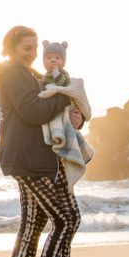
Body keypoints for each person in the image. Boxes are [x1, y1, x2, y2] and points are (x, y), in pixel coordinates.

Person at [0, 26, 84, 257]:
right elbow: (33, 111)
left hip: (29, 158)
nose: (31, 53)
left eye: (34, 48)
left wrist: (76, 116)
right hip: (30, 160)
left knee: (33, 225)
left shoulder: (28, 75)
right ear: (12, 48)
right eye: (26, 48)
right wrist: (65, 96)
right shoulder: (14, 75)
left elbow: (52, 113)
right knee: (68, 219)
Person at [37, 40, 94, 187]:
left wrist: (79, 120)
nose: (53, 61)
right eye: (49, 58)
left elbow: (64, 87)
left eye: (57, 58)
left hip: (66, 112)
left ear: (63, 62)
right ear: (43, 61)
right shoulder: (41, 79)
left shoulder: (63, 76)